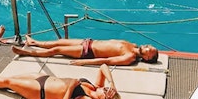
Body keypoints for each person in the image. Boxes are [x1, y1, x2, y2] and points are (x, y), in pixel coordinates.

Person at [13, 37, 158, 67]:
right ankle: (35, 43)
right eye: (149, 46)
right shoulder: (131, 43)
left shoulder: (130, 57)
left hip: (87, 51)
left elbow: (106, 61)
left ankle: (28, 53)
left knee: (57, 50)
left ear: (146, 58)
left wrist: (85, 62)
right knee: (60, 41)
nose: (146, 46)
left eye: (148, 50)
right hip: (90, 41)